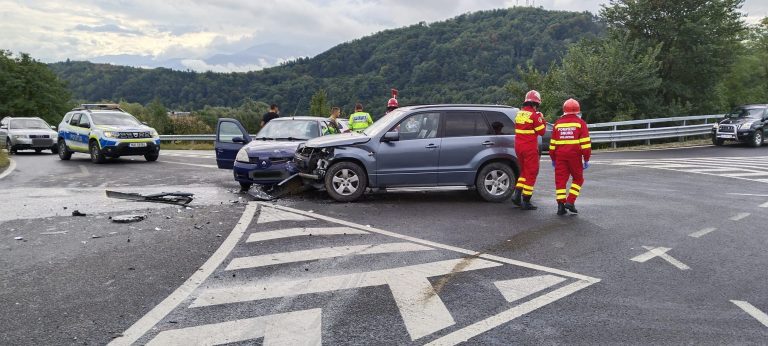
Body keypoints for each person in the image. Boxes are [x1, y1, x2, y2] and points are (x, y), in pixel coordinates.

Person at [549, 98, 591, 215]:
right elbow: (586, 145)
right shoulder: (580, 123)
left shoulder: (557, 124)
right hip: (575, 156)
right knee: (578, 179)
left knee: (560, 181)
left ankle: (561, 207)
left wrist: (553, 159)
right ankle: (570, 201)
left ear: (564, 111)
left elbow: (552, 145)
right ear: (578, 111)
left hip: (560, 157)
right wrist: (586, 159)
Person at [511, 90, 548, 210]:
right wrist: (542, 119)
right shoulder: (535, 115)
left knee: (524, 171)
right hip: (529, 148)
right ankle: (526, 200)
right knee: (532, 172)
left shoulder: (519, 114)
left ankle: (517, 195)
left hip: (518, 147)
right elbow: (542, 132)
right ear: (535, 104)